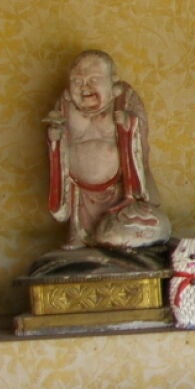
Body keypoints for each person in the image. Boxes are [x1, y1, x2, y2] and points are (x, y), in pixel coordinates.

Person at [45, 50, 170, 249]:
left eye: (93, 80)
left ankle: (117, 241)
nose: (85, 86)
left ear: (112, 82)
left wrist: (129, 123)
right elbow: (58, 137)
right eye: (77, 81)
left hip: (120, 188)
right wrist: (54, 139)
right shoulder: (65, 104)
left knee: (125, 229)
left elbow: (141, 143)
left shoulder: (124, 99)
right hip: (79, 189)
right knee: (80, 222)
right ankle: (79, 237)